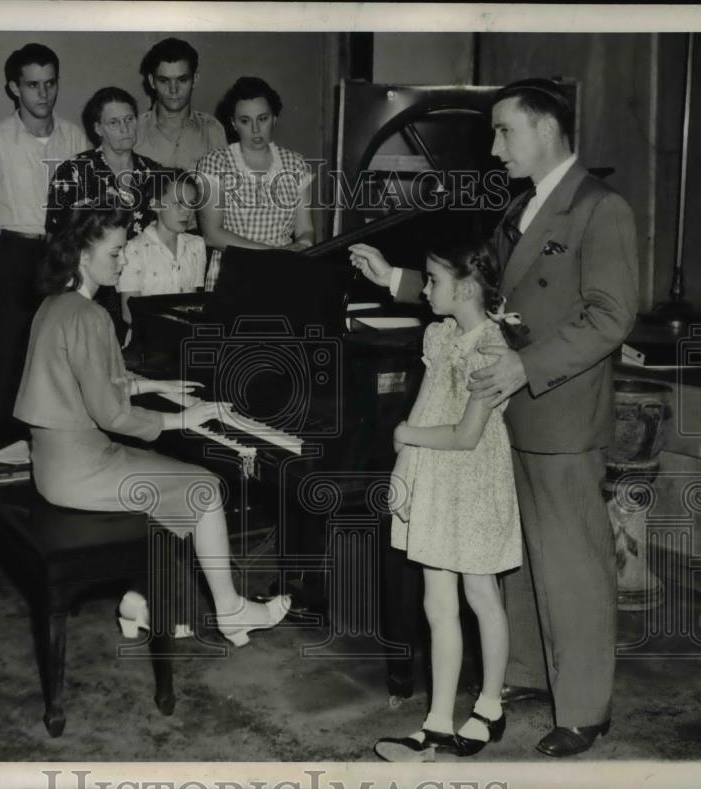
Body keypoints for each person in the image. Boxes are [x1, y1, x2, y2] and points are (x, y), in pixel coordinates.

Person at [351, 78, 638, 758]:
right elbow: (479, 291)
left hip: (560, 412)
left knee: (572, 562)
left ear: (545, 128)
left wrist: (525, 367)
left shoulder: (601, 209)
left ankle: (586, 708)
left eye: (504, 130)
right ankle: (534, 678)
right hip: (512, 414)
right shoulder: (522, 208)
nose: (494, 145)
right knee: (522, 561)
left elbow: (611, 314)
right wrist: (395, 278)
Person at [13, 206, 290, 647]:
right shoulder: (90, 316)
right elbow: (112, 416)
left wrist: (155, 384)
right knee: (205, 487)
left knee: (166, 477)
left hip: (53, 464)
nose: (122, 261)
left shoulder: (55, 306)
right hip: (82, 470)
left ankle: (139, 601)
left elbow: (92, 379)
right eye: (116, 252)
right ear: (84, 255)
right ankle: (231, 610)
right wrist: (185, 417)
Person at [372, 241, 524, 762]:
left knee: (481, 596)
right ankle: (437, 721)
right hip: (435, 480)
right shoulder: (439, 335)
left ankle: (488, 708)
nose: (427, 289)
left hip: (474, 483)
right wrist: (403, 466)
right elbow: (425, 405)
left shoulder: (492, 350)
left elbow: (464, 435)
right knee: (437, 604)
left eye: (433, 280)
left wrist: (407, 436)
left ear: (464, 287)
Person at [0, 43, 88, 452]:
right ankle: (3, 465)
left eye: (50, 83)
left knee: (61, 366)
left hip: (62, 257)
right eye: (33, 85)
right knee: (10, 366)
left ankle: (58, 461)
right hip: (14, 257)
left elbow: (87, 202)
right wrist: (0, 258)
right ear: (14, 88)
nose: (44, 94)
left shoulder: (74, 137)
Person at [46, 87, 166, 342]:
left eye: (129, 120)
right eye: (114, 122)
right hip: (95, 290)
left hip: (145, 287)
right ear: (98, 128)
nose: (125, 128)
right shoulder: (74, 172)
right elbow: (59, 240)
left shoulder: (155, 173)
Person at [195, 76, 314, 290]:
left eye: (263, 118)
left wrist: (303, 246)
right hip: (232, 278)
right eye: (245, 121)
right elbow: (212, 235)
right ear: (233, 123)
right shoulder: (215, 162)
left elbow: (305, 229)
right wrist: (274, 253)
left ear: (275, 118)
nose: (256, 130)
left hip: (283, 275)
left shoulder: (296, 164)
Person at [118, 171, 206, 328]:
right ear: (155, 204)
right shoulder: (134, 250)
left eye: (191, 204)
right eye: (178, 203)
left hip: (185, 339)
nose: (187, 211)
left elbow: (194, 305)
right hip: (148, 342)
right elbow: (128, 314)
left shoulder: (196, 246)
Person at [135, 37, 227, 172]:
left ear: (195, 79)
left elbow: (223, 189)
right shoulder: (133, 130)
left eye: (182, 80)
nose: (174, 90)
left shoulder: (213, 130)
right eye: (164, 81)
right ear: (151, 81)